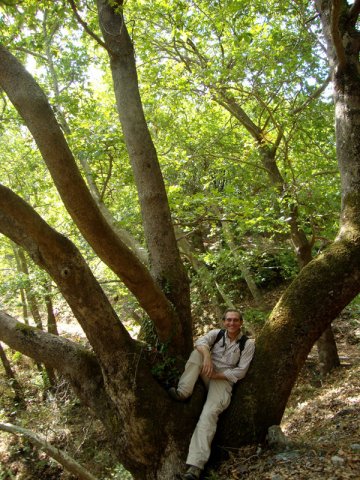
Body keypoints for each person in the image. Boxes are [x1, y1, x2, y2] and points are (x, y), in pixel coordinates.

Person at [169, 309, 255, 480]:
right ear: (224, 321)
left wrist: (217, 375)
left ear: (241, 323)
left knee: (208, 414)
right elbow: (200, 342)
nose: (232, 323)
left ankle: (195, 467)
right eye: (228, 320)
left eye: (235, 320)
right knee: (197, 354)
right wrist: (207, 356)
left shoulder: (247, 344)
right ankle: (183, 392)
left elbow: (241, 371)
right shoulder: (216, 334)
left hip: (223, 379)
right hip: (207, 369)